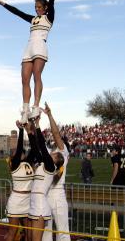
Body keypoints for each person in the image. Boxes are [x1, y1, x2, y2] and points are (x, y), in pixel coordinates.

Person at [0, 0, 58, 124]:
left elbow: (51, 6)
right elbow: (17, 12)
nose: (37, 9)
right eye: (36, 7)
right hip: (29, 47)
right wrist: (2, 3)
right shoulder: (33, 19)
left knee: (37, 75)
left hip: (40, 45)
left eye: (40, 7)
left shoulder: (49, 18)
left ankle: (36, 106)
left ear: (45, 8)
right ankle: (25, 109)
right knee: (24, 80)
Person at [28, 114, 64, 241]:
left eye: (54, 154)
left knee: (36, 239)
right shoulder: (44, 163)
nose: (52, 153)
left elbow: (42, 147)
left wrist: (37, 125)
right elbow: (35, 148)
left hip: (40, 205)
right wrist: (29, 133)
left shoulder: (50, 167)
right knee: (32, 238)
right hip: (33, 201)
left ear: (56, 161)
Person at [5, 120, 38, 241]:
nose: (14, 154)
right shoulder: (14, 164)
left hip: (28, 201)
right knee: (12, 232)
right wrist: (20, 130)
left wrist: (29, 132)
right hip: (16, 201)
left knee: (29, 231)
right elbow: (19, 149)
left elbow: (34, 148)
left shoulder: (28, 162)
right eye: (13, 154)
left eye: (15, 153)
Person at [41, 103, 71, 241]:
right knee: (46, 231)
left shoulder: (62, 152)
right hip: (45, 194)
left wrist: (50, 115)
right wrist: (34, 124)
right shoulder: (49, 152)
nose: (55, 140)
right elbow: (38, 142)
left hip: (57, 194)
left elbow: (56, 134)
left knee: (62, 232)